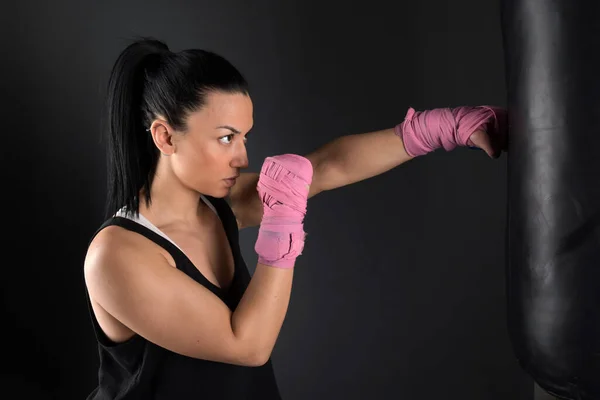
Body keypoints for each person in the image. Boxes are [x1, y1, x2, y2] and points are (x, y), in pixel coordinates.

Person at [83, 37, 507, 400]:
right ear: (164, 136)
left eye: (244, 136)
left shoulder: (214, 207)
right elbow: (247, 345)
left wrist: (439, 129)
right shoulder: (118, 255)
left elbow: (325, 169)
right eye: (226, 137)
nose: (243, 156)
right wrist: (281, 224)